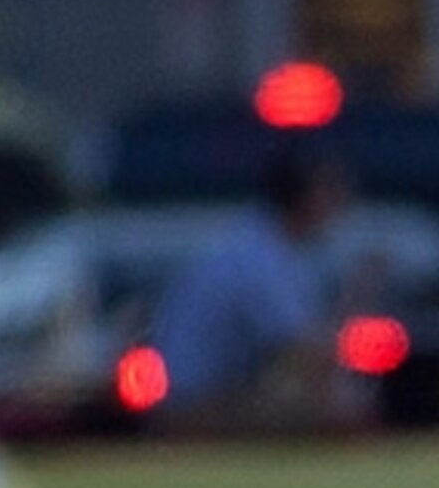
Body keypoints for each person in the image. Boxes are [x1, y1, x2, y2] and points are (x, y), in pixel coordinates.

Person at [146, 136, 365, 430]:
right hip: (191, 406)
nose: (341, 201)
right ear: (305, 196)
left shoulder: (271, 244)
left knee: (332, 400)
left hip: (217, 393)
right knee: (338, 412)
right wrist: (362, 292)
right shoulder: (258, 255)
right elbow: (308, 357)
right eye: (331, 189)